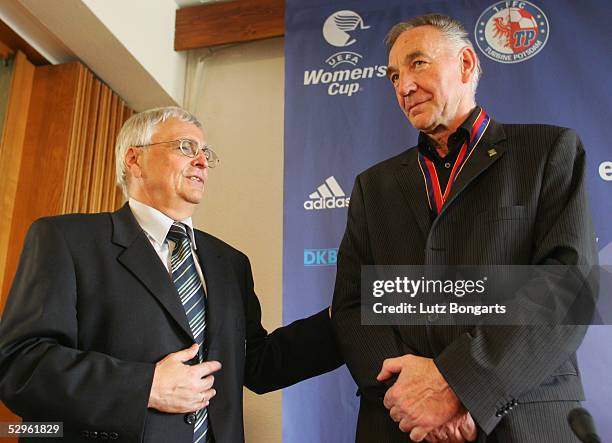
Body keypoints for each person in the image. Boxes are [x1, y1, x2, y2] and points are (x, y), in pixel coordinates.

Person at [0, 107, 342, 442]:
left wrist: (345, 318)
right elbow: (22, 364)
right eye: (185, 147)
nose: (202, 162)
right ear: (135, 160)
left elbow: (257, 364)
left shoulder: (230, 263)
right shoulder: (66, 239)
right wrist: (143, 386)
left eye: (205, 152)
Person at [331, 13, 598, 443]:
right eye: (394, 75)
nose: (403, 86)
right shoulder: (372, 186)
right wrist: (413, 396)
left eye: (418, 64)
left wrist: (462, 388)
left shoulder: (549, 151)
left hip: (521, 420)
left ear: (467, 64)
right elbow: (352, 305)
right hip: (405, 426)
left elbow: (566, 287)